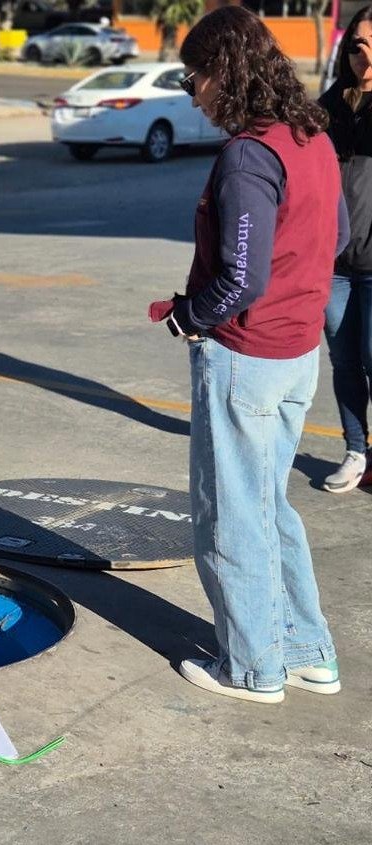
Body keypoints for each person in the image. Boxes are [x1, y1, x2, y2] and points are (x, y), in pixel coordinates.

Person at [148, 8, 348, 703]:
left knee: (231, 513)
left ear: (223, 73)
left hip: (247, 355)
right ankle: (306, 650)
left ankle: (251, 666)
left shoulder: (250, 153)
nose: (191, 92)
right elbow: (338, 233)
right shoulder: (310, 136)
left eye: (192, 76)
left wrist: (187, 319)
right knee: (269, 507)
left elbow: (241, 276)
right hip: (296, 353)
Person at [318, 6, 372, 493]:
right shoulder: (331, 104)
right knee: (345, 359)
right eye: (357, 45)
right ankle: (357, 450)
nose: (365, 56)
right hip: (333, 263)